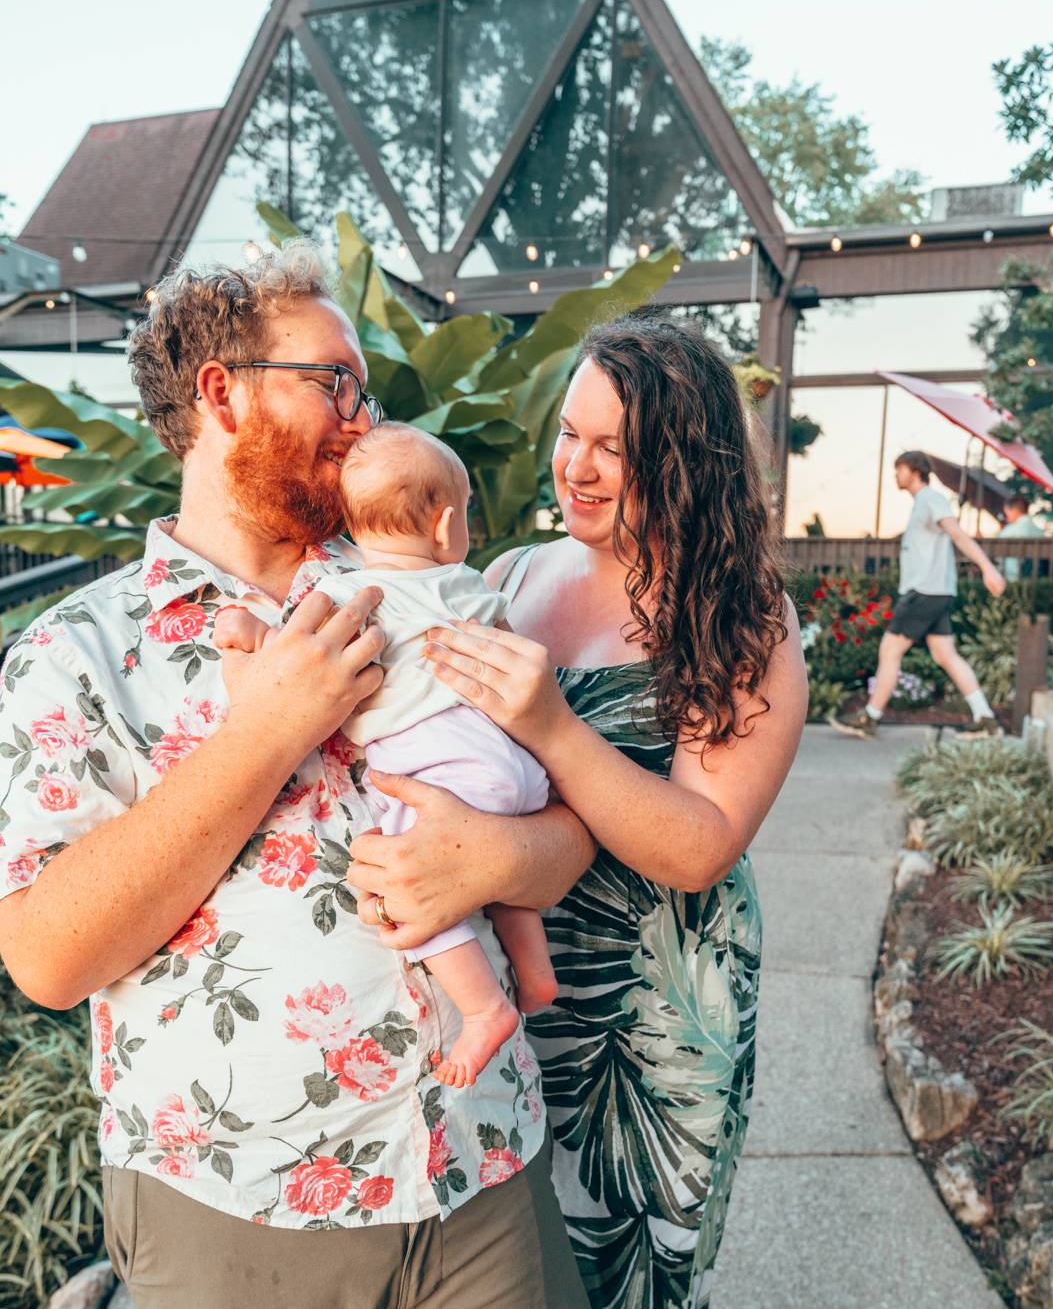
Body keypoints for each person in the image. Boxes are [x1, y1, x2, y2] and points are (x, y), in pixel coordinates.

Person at [0, 245, 590, 1308]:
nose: (364, 419)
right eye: (336, 384)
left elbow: (571, 822)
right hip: (242, 1214)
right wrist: (262, 733)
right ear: (221, 392)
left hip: (485, 1169)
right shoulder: (75, 655)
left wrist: (504, 853)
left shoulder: (432, 591)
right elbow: (47, 958)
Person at [349, 310, 807, 1308]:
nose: (578, 468)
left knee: (626, 1273)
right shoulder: (511, 574)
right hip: (509, 984)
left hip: (650, 1011)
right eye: (570, 433)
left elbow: (702, 847)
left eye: (617, 448)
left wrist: (555, 728)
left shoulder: (741, 613)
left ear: (688, 461)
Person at [215, 420, 557, 1091]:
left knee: (410, 892)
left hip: (437, 772)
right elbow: (513, 648)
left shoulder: (346, 596)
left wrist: (249, 630)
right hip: (514, 767)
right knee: (496, 875)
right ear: (445, 525)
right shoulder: (466, 584)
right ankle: (536, 970)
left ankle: (485, 1008)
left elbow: (294, 655)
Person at [832, 449, 1006, 739]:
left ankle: (870, 717)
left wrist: (988, 568)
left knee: (889, 650)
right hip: (933, 591)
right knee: (945, 654)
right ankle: (985, 718)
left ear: (915, 471)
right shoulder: (922, 504)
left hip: (925, 592)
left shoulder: (930, 500)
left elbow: (958, 534)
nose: (896, 475)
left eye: (899, 469)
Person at [998, 493, 1044, 581]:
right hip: (1035, 576)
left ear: (1014, 510)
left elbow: (997, 553)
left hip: (1012, 576)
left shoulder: (1009, 531)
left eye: (1007, 512)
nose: (1006, 516)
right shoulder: (1039, 532)